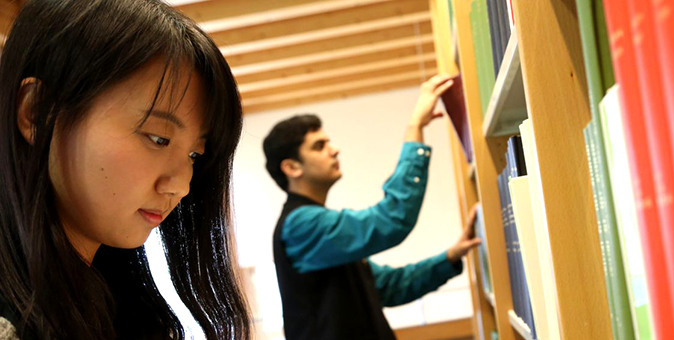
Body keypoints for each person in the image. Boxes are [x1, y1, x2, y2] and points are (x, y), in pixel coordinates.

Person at [0, 1, 250, 339]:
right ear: (37, 113)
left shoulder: (110, 303)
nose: (181, 186)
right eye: (159, 138)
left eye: (194, 154)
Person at [263, 74, 482, 340]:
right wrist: (415, 127)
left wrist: (451, 256)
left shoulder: (318, 227)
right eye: (319, 146)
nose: (335, 150)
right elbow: (393, 218)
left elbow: (390, 287)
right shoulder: (302, 225)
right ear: (292, 167)